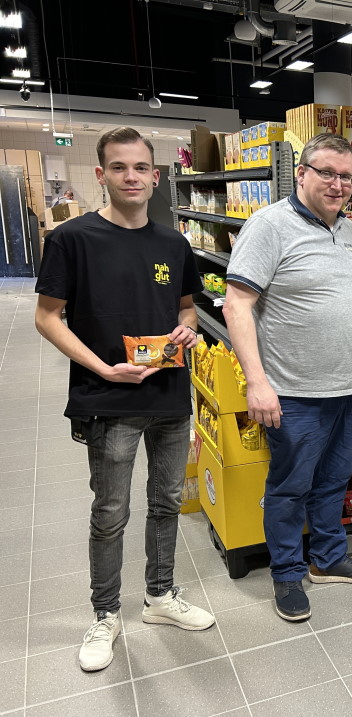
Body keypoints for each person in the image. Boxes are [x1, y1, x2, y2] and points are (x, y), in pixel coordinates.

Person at [35, 127, 216, 673]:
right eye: (119, 168)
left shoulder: (174, 244)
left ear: (155, 176)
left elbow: (186, 307)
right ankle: (106, 614)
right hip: (106, 399)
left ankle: (160, 597)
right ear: (101, 174)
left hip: (169, 395)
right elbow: (47, 317)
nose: (131, 177)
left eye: (141, 168)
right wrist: (102, 368)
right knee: (110, 512)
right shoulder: (72, 240)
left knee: (165, 503)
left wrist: (186, 330)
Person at [224, 134, 352, 622]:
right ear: (302, 174)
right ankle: (287, 574)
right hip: (292, 392)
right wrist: (256, 382)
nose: (338, 184)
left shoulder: (348, 231)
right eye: (327, 173)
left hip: (346, 387)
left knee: (333, 479)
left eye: (346, 176)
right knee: (289, 487)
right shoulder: (269, 227)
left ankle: (328, 559)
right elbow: (236, 305)